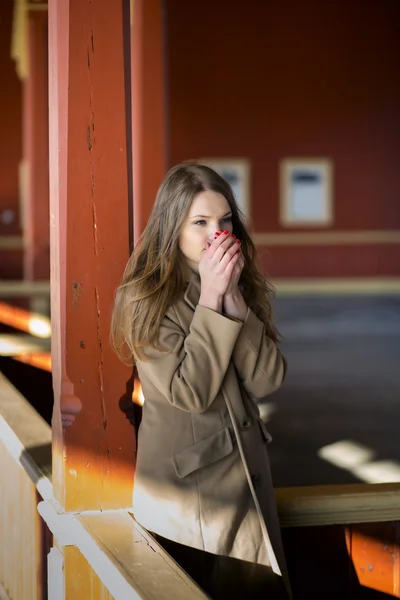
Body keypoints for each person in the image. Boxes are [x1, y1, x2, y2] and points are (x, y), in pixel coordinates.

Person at [111, 162, 292, 599]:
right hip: (189, 498)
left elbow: (268, 380)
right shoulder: (145, 297)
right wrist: (212, 298)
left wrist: (232, 299)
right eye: (201, 222)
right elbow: (189, 393)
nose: (219, 233)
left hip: (249, 479)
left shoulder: (238, 284)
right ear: (172, 227)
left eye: (225, 220)